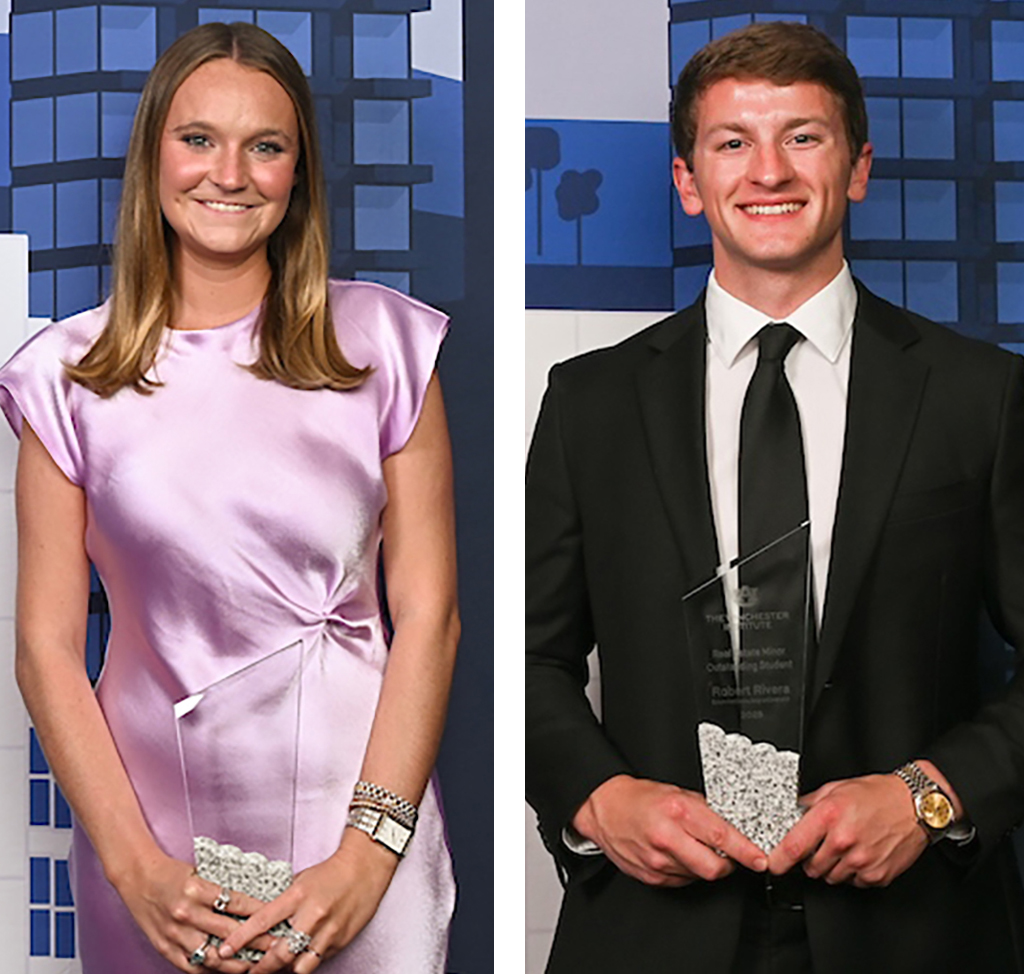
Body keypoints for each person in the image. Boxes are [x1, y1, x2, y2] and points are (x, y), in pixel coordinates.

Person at [526, 21, 1024, 973]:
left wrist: (934, 795)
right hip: (650, 929)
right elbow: (524, 655)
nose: (769, 171)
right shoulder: (590, 403)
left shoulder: (981, 397)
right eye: (732, 142)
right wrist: (598, 799)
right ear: (687, 182)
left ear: (859, 166)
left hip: (916, 931)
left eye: (802, 136)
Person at [0, 21, 458, 974]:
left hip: (360, 835)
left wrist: (369, 862)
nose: (231, 174)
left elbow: (433, 618)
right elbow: (45, 647)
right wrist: (136, 870)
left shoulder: (384, 346)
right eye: (199, 139)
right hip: (153, 852)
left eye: (267, 146)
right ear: (153, 158)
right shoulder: (64, 378)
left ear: (298, 174)